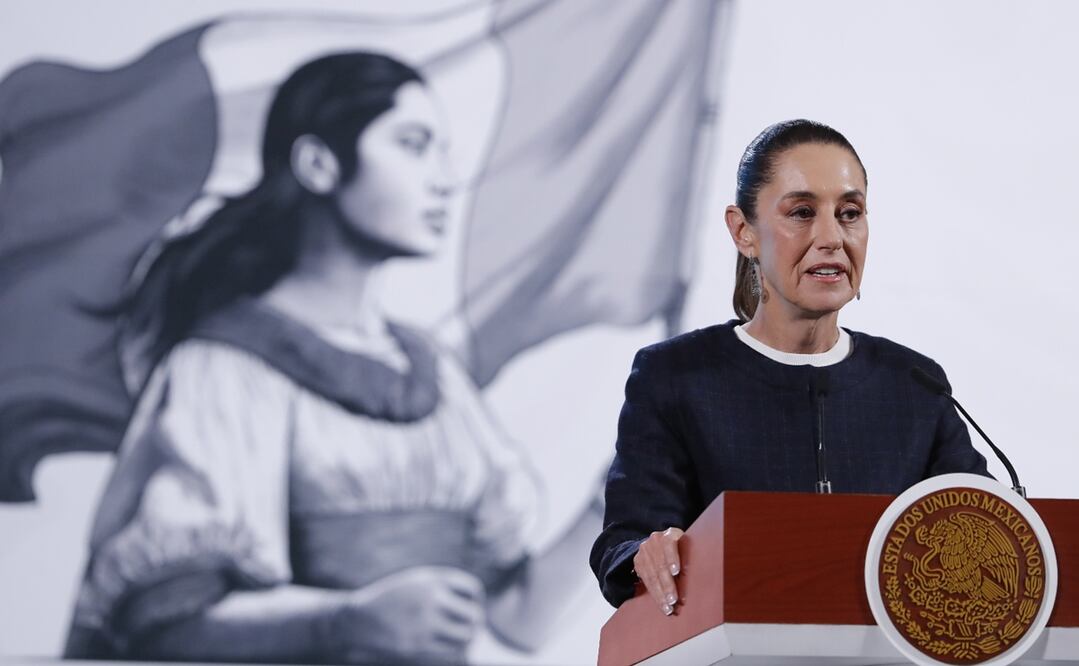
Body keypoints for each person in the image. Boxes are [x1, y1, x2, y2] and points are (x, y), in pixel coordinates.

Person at [64, 52, 601, 665]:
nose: (444, 178)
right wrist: (345, 622)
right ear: (318, 164)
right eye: (413, 144)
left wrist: (616, 496)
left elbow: (517, 619)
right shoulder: (223, 368)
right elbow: (165, 626)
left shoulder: (435, 376)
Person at [589, 119, 990, 615]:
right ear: (743, 231)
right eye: (802, 212)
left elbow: (986, 528)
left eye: (850, 213)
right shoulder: (674, 376)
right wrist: (645, 554)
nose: (831, 238)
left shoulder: (913, 383)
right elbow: (624, 543)